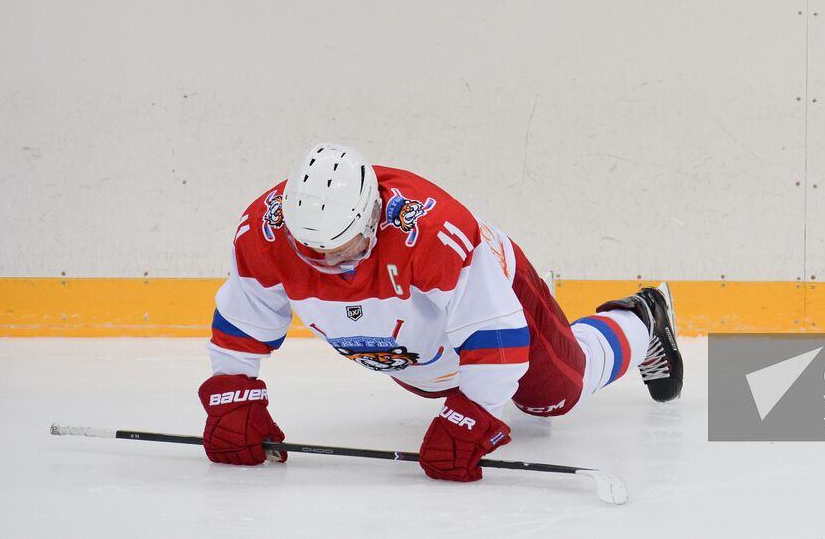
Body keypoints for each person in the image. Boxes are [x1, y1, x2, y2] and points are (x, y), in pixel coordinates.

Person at [197, 142, 682, 482]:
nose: (328, 266)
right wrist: (231, 395)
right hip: (418, 345)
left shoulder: (435, 235)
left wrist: (471, 418)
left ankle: (643, 318)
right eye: (313, 252)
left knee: (553, 398)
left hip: (494, 295)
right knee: (435, 382)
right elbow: (245, 318)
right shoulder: (264, 233)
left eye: (343, 250)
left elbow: (497, 337)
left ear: (372, 216)